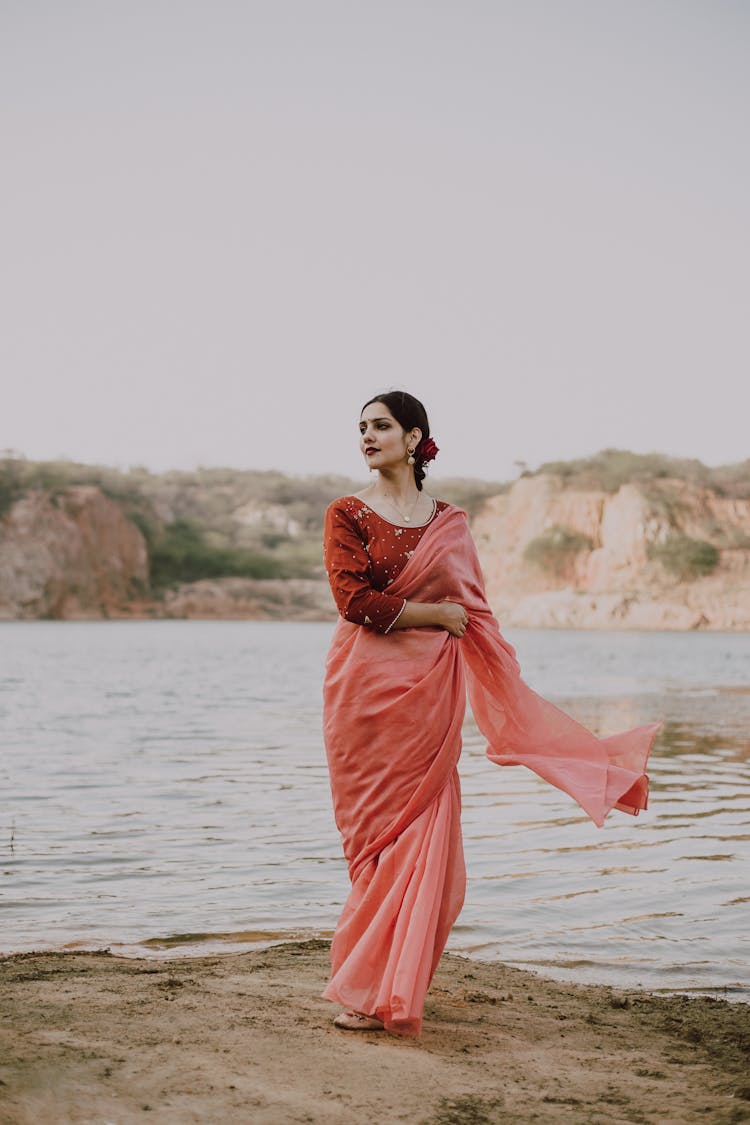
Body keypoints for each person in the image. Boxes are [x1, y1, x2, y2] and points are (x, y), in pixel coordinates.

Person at [321, 390, 660, 1036]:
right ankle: (365, 987)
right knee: (375, 841)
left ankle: (389, 985)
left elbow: (472, 606)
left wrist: (491, 659)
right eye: (361, 427)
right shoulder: (348, 513)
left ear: (415, 436)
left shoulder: (449, 522)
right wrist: (436, 616)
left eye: (381, 425)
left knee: (432, 851)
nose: (367, 435)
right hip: (364, 696)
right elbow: (352, 600)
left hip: (431, 696)